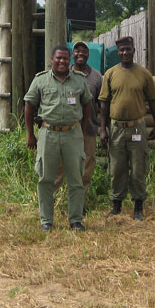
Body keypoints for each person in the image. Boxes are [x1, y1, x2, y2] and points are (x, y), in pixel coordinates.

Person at [25, 45, 93, 232]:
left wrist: (82, 127)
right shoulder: (41, 80)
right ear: (52, 59)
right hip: (49, 134)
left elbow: (87, 104)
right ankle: (46, 220)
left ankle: (76, 220)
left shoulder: (79, 81)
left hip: (73, 134)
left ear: (69, 60)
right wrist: (30, 134)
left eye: (65, 58)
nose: (62, 61)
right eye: (59, 58)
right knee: (46, 178)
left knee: (76, 179)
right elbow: (29, 105)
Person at [98, 36, 155, 220]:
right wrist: (103, 129)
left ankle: (138, 207)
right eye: (121, 50)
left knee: (138, 167)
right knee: (116, 168)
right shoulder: (110, 74)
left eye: (128, 49)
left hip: (137, 128)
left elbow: (153, 101)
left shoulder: (144, 74)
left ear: (134, 50)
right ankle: (116, 206)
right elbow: (103, 103)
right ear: (117, 53)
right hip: (116, 128)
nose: (125, 53)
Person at [54, 41, 102, 214]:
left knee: (86, 169)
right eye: (77, 51)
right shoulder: (64, 75)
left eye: (84, 51)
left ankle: (78, 205)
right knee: (59, 167)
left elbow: (101, 104)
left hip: (88, 130)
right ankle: (52, 205)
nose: (81, 53)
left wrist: (102, 129)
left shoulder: (97, 77)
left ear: (89, 55)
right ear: (72, 55)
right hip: (66, 130)